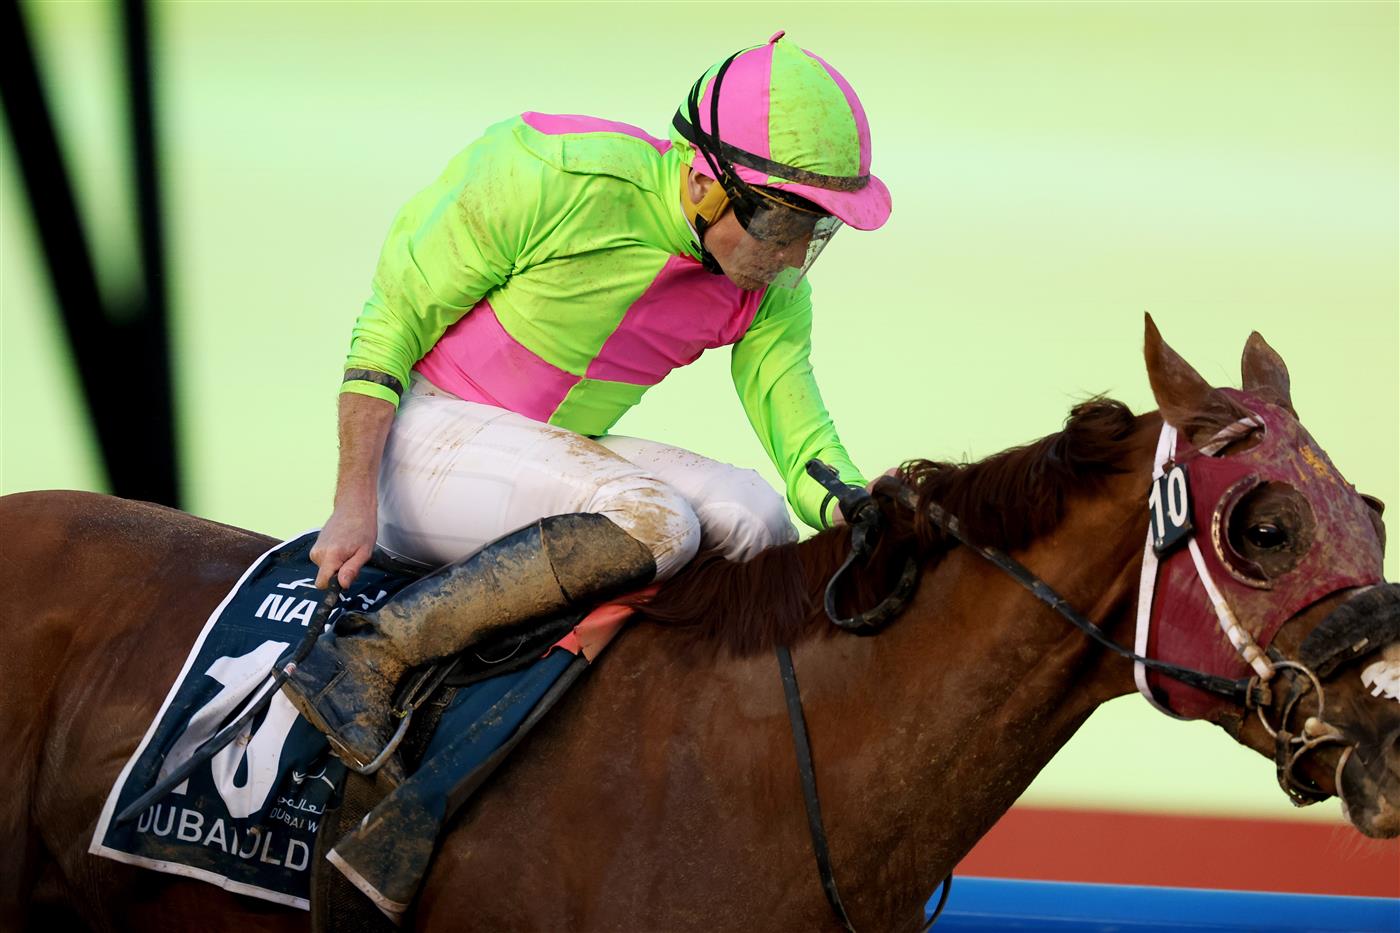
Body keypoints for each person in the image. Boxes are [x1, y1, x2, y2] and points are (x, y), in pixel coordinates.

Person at [281, 32, 891, 779]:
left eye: (814, 230)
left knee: (755, 516)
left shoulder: (770, 294)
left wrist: (863, 508)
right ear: (705, 181)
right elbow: (389, 322)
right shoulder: (548, 169)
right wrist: (351, 501)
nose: (794, 254)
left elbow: (801, 436)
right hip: (419, 445)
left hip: (536, 465)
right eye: (783, 222)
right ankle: (369, 655)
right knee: (659, 520)